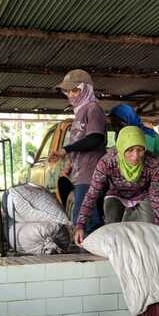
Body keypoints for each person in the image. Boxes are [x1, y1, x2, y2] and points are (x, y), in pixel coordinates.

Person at [74, 126, 159, 245]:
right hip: (116, 195)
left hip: (142, 196)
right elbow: (92, 194)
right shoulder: (107, 162)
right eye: (130, 150)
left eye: (140, 149)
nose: (136, 156)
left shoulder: (153, 162)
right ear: (121, 148)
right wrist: (80, 225)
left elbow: (156, 196)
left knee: (147, 232)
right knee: (113, 230)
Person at [52, 69, 107, 234]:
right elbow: (80, 140)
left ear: (86, 89)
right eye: (67, 91)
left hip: (90, 173)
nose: (70, 95)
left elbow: (95, 138)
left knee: (86, 221)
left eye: (75, 90)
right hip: (80, 174)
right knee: (83, 218)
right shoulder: (79, 112)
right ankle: (88, 254)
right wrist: (69, 162)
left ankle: (90, 257)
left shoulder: (93, 108)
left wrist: (65, 149)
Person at [108, 104, 159, 222]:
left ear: (127, 120)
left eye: (118, 124)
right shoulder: (125, 136)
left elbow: (142, 166)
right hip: (155, 174)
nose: (115, 128)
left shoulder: (145, 137)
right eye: (114, 125)